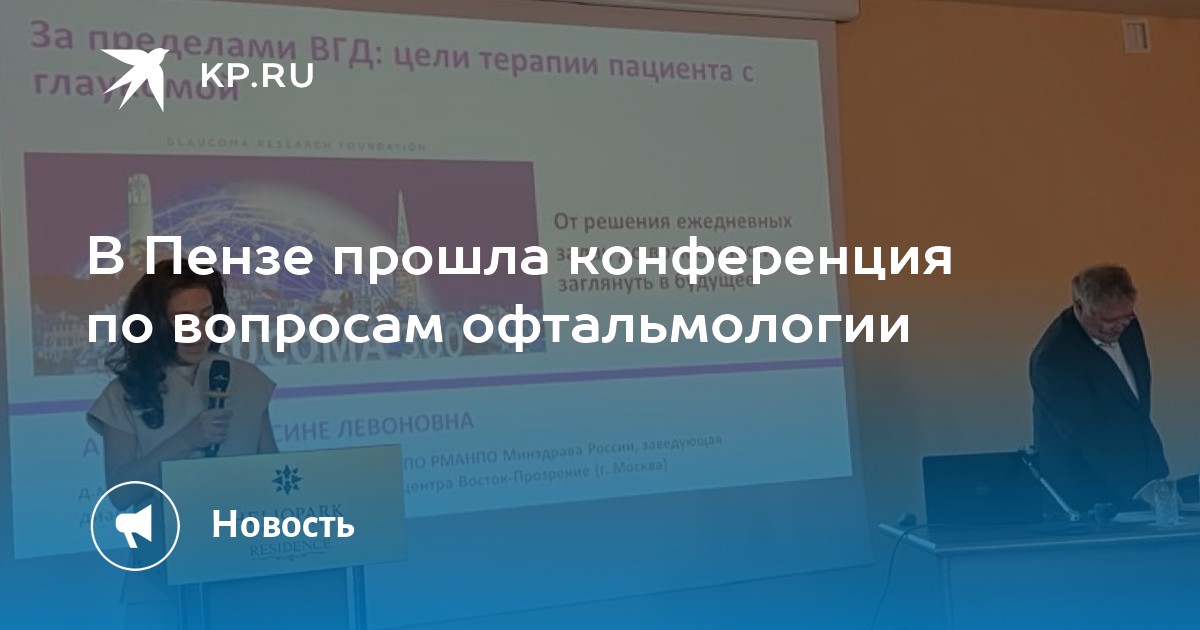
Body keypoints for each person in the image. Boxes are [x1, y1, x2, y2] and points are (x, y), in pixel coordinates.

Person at [85, 260, 278, 629]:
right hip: (159, 579)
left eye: (206, 315)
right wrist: (187, 440)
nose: (198, 330)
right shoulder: (124, 393)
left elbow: (272, 474)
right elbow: (121, 493)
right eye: (183, 319)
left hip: (242, 572)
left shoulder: (248, 380)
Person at [1029, 264, 1168, 515]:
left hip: (1141, 477)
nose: (1118, 326)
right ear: (1079, 307)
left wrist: (1152, 475)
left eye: (1126, 317)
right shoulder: (1054, 358)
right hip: (1087, 491)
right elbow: (1085, 431)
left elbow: (1133, 404)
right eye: (1108, 320)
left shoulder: (1127, 325)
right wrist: (1137, 485)